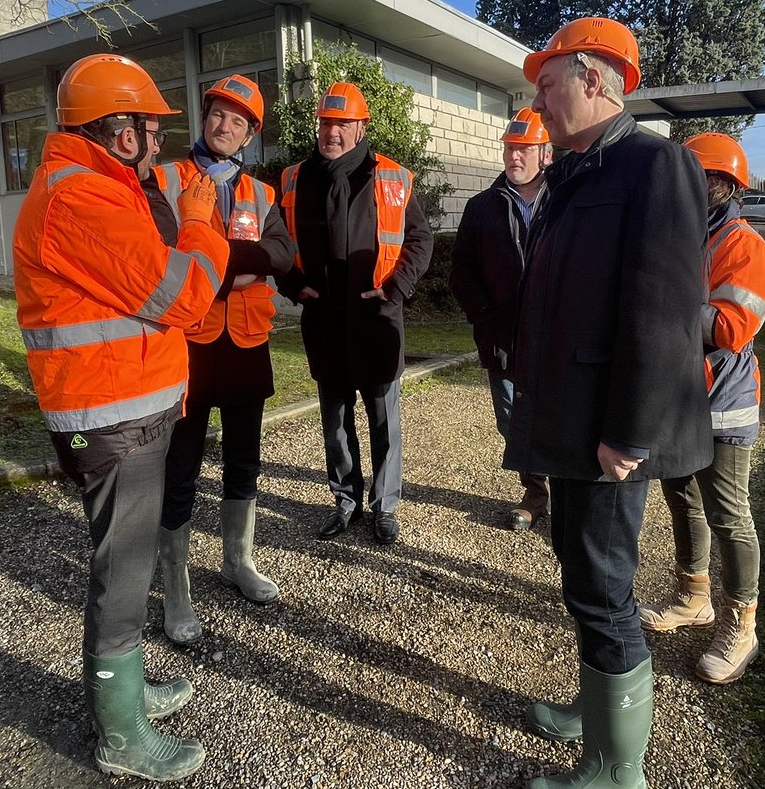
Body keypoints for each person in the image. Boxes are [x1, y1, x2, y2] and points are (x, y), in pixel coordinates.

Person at [501, 18, 712, 788]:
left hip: (607, 432)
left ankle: (615, 770)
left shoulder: (655, 166)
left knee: (601, 585)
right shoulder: (579, 170)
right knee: (581, 571)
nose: (540, 102)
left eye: (549, 84)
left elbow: (662, 313)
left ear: (594, 79)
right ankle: (597, 710)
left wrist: (628, 434)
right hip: (571, 418)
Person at [13, 53, 229, 782]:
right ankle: (121, 736)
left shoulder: (104, 186)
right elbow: (184, 295)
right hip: (113, 420)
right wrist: (203, 224)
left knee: (123, 569)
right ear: (117, 129)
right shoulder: (81, 199)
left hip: (128, 409)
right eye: (148, 125)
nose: (158, 140)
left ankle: (126, 700)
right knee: (124, 573)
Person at [151, 74, 295, 639]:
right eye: (217, 115)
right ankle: (177, 588)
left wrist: (217, 264)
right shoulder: (165, 181)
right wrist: (243, 265)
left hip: (247, 344)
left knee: (243, 460)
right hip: (187, 344)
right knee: (180, 467)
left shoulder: (262, 194)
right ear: (203, 117)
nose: (224, 127)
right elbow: (164, 252)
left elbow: (282, 254)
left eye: (238, 121)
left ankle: (238, 561)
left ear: (250, 135)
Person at [639, 132, 765, 685]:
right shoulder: (679, 237)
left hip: (723, 402)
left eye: (700, 179)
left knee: (728, 513)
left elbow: (726, 328)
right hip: (677, 395)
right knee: (682, 500)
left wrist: (656, 304)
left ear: (725, 185)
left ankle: (741, 624)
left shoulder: (746, 247)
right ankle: (693, 596)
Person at [277, 81, 433, 545]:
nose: (332, 132)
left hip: (377, 322)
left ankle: (385, 507)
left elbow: (420, 239)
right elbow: (278, 243)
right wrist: (292, 285)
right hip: (324, 322)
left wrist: (395, 289)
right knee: (335, 422)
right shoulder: (294, 178)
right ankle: (346, 501)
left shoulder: (390, 177)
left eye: (342, 124)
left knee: (384, 421)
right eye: (326, 123)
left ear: (361, 127)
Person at [449, 107, 552, 530]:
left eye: (524, 149)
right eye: (510, 149)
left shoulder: (568, 201)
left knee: (560, 415)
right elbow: (461, 271)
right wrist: (485, 316)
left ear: (545, 153)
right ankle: (536, 489)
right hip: (502, 338)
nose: (514, 157)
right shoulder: (481, 207)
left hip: (556, 336)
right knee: (512, 417)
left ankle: (566, 492)